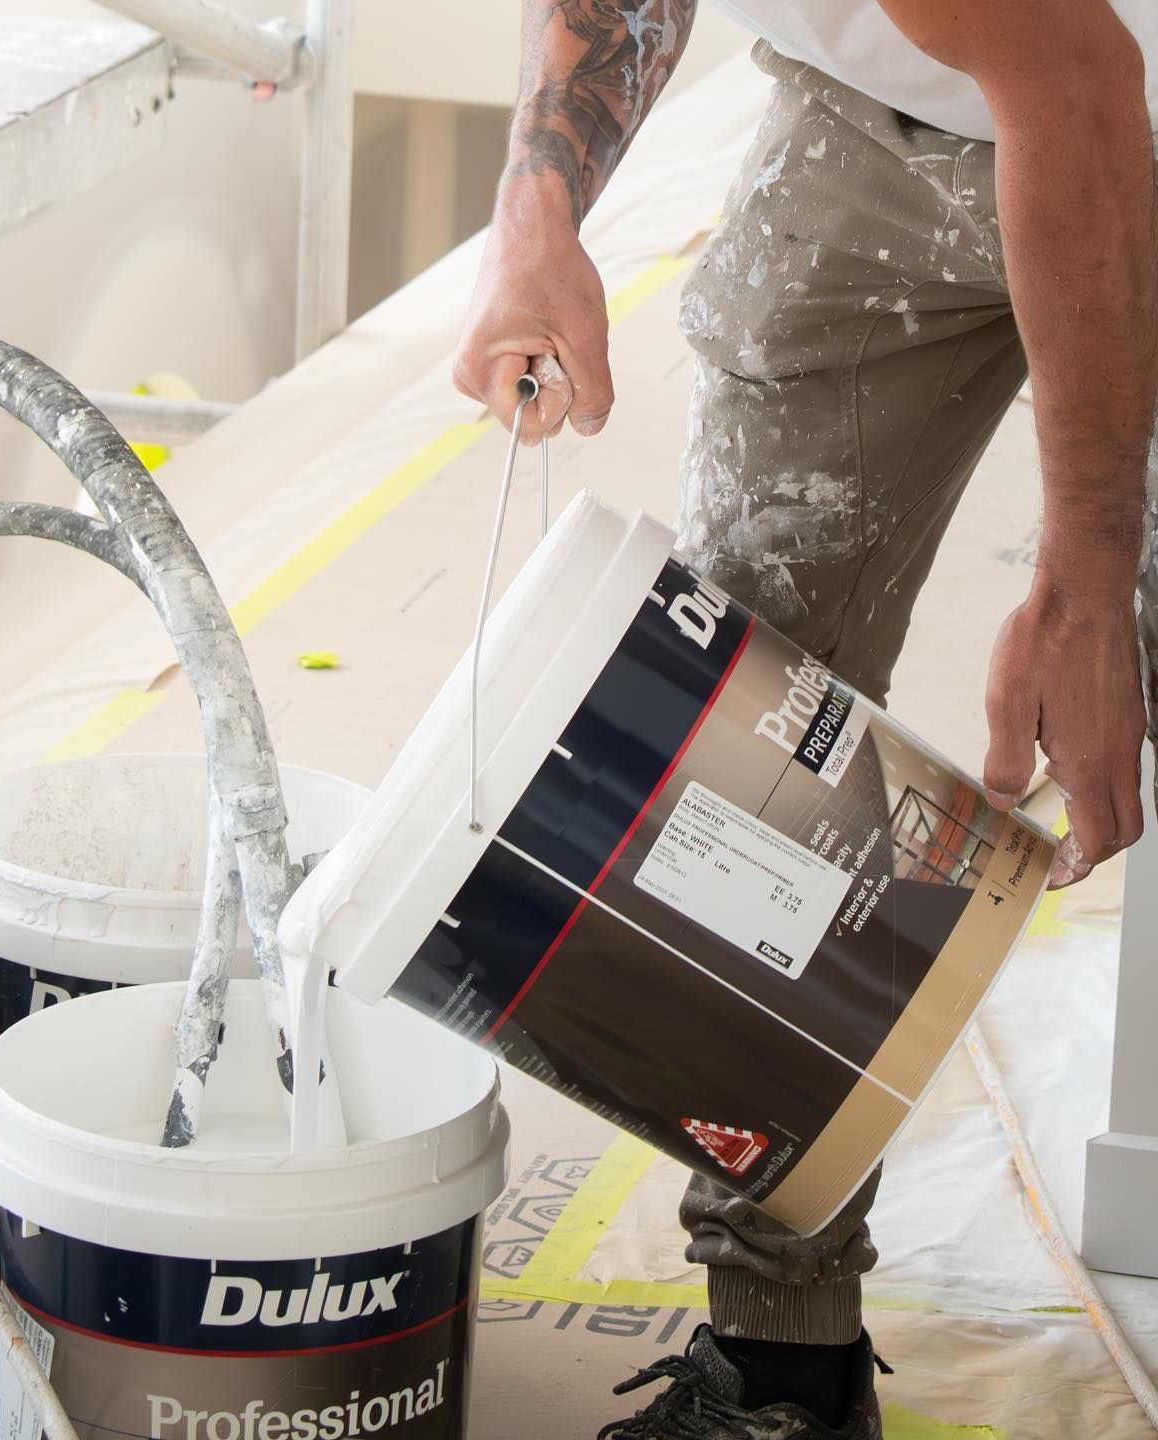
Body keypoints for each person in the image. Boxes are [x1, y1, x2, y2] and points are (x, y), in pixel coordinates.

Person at [454, 2, 1158, 1436]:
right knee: (731, 734)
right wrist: (536, 211)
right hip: (873, 117)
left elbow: (1081, 86)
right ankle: (784, 1374)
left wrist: (1089, 579)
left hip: (1120, 121)